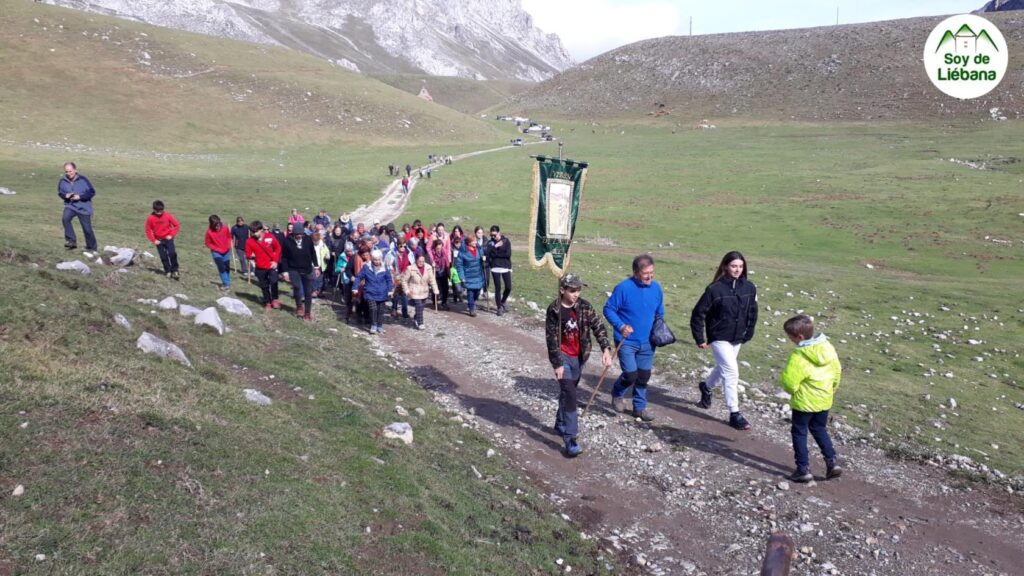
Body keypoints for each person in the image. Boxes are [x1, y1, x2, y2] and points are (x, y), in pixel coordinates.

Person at [545, 273, 613, 457]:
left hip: (579, 357)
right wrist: (557, 363)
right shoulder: (554, 310)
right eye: (572, 290)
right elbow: (551, 339)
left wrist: (606, 349)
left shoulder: (584, 306)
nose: (576, 294)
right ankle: (571, 438)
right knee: (571, 394)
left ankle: (560, 423)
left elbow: (598, 327)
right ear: (562, 290)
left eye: (579, 290)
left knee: (568, 391)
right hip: (562, 357)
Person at [690, 250, 758, 431]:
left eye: (740, 266)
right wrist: (699, 337)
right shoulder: (714, 289)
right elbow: (698, 313)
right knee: (731, 372)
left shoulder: (749, 287)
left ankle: (706, 387)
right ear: (726, 266)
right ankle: (734, 413)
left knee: (723, 368)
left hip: (738, 337)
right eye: (734, 266)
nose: (737, 269)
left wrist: (749, 331)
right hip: (719, 336)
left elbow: (753, 311)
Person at [779, 314, 843, 483]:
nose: (790, 340)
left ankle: (803, 470)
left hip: (804, 402)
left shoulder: (799, 355)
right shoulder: (827, 347)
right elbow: (837, 371)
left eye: (790, 337)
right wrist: (832, 389)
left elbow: (789, 382)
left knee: (799, 432)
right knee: (819, 429)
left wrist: (793, 391)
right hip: (824, 399)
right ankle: (832, 462)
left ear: (799, 337)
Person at [603, 254, 664, 421]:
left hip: (648, 341)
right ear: (636, 272)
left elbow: (659, 311)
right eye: (646, 273)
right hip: (627, 341)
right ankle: (617, 393)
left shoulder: (656, 288)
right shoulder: (623, 288)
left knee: (643, 376)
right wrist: (621, 326)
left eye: (652, 272)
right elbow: (608, 309)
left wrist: (659, 328)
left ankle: (639, 408)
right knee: (630, 374)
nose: (650, 276)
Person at [280, 225, 320, 320]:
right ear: (293, 233)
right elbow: (284, 258)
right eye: (297, 234)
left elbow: (313, 253)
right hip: (293, 268)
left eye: (301, 234)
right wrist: (285, 272)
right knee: (297, 287)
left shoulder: (308, 240)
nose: (299, 235)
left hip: (307, 268)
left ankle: (307, 313)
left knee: (308, 291)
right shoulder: (287, 241)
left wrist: (316, 267)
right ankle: (299, 306)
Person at [57, 162, 97, 251]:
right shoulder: (62, 181)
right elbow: (60, 193)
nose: (69, 173)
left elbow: (92, 192)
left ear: (75, 170)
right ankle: (71, 241)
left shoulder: (83, 180)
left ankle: (92, 248)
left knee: (87, 229)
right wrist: (65, 196)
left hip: (84, 208)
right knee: (65, 218)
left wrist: (80, 197)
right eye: (66, 172)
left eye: (70, 171)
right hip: (70, 206)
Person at [355, 249, 393, 334]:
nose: (377, 261)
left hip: (382, 292)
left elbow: (389, 280)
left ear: (381, 259)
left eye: (378, 260)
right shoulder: (366, 267)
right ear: (372, 259)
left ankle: (379, 325)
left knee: (380, 310)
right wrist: (355, 287)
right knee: (373, 309)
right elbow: (359, 277)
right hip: (370, 292)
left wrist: (390, 289)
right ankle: (373, 325)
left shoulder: (384, 268)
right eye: (375, 260)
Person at [245, 221, 282, 310]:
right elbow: (247, 254)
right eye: (252, 232)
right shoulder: (249, 241)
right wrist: (251, 256)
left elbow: (278, 248)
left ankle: (275, 299)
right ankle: (267, 301)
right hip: (260, 267)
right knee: (264, 285)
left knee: (274, 281)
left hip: (271, 265)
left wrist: (275, 261)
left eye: (255, 231)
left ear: (261, 230)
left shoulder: (270, 237)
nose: (254, 234)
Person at [401, 253, 439, 330]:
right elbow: (404, 280)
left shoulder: (428, 268)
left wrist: (435, 289)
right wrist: (406, 289)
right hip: (414, 291)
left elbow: (432, 279)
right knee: (419, 306)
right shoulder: (410, 268)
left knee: (421, 307)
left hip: (424, 291)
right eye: (419, 261)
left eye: (423, 261)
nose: (421, 263)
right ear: (416, 260)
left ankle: (416, 317)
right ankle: (420, 323)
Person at [145, 200, 181, 279]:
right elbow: (148, 230)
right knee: (163, 256)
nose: (159, 213)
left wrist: (171, 235)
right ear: (153, 209)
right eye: (157, 211)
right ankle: (168, 271)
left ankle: (175, 270)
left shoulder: (168, 216)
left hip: (168, 239)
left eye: (161, 211)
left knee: (172, 253)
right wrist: (154, 240)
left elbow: (176, 225)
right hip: (159, 241)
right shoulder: (150, 218)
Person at [456, 233, 486, 317]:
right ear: (469, 242)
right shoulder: (463, 252)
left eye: (476, 241)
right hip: (468, 275)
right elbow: (459, 265)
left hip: (478, 275)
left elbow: (482, 258)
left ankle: (472, 303)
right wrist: (462, 277)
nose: (476, 242)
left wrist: (483, 258)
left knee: (477, 292)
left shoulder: (479, 249)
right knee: (470, 293)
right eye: (474, 241)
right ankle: (471, 308)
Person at [487, 225, 512, 315]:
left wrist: (496, 254)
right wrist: (495, 246)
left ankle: (503, 301)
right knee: (498, 288)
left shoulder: (506, 241)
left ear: (499, 233)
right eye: (491, 235)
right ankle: (499, 307)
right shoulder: (490, 243)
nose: (493, 237)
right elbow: (489, 254)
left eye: (495, 235)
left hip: (505, 266)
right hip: (495, 267)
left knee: (508, 287)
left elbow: (508, 254)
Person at [204, 215, 233, 291]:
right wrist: (215, 248)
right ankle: (226, 283)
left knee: (226, 267)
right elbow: (207, 243)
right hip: (216, 252)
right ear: (211, 224)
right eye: (215, 225)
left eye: (218, 224)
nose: (217, 227)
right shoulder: (209, 232)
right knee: (221, 267)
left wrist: (228, 245)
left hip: (226, 250)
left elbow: (229, 237)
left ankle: (227, 281)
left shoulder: (225, 228)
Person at [311, 232, 330, 298]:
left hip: (321, 264)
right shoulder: (310, 245)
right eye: (314, 241)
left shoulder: (323, 244)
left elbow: (327, 251)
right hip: (313, 264)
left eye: (317, 240)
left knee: (320, 279)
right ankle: (314, 291)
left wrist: (327, 256)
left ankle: (319, 291)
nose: (316, 242)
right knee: (314, 278)